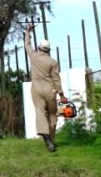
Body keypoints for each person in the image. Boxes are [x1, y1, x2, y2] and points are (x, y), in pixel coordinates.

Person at [25, 24, 67, 152]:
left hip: (36, 89)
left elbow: (27, 45)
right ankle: (52, 141)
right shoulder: (53, 62)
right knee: (53, 114)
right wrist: (61, 95)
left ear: (39, 48)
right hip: (50, 90)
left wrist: (28, 31)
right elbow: (56, 79)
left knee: (40, 112)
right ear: (49, 50)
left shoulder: (33, 56)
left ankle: (47, 139)